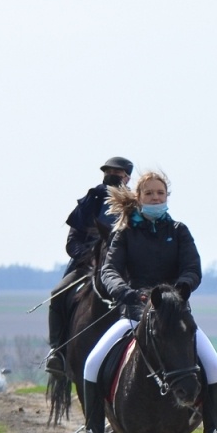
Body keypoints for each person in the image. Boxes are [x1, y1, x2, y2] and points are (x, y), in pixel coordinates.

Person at [68, 170, 217, 433]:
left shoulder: (180, 231)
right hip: (134, 315)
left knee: (213, 366)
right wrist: (125, 292)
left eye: (160, 193)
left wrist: (180, 289)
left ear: (167, 196)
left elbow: (192, 268)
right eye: (149, 193)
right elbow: (110, 270)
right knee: (92, 363)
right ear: (139, 198)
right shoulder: (124, 233)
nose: (155, 197)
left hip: (174, 315)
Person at [46, 156, 131, 376]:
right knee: (57, 294)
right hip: (88, 266)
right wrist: (90, 258)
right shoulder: (91, 200)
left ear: (127, 177)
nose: (111, 175)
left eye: (116, 172)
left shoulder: (135, 204)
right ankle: (58, 350)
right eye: (108, 171)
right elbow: (72, 241)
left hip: (127, 268)